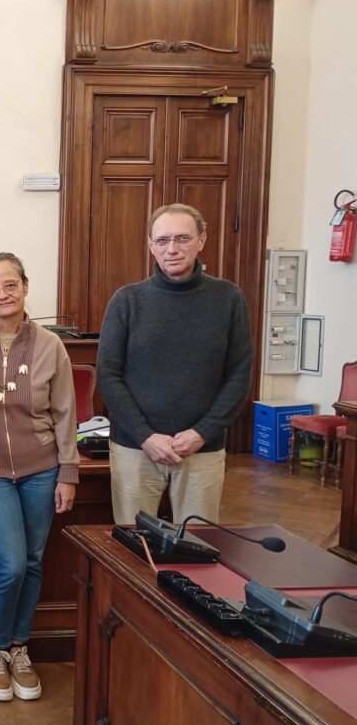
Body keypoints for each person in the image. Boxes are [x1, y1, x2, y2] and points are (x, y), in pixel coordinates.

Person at [0, 253, 78, 703]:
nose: (1, 295)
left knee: (32, 562)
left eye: (9, 285)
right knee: (9, 563)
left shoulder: (51, 345)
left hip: (41, 468)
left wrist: (67, 472)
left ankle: (19, 647)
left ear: (26, 287)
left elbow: (67, 414)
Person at [97, 203, 253, 525]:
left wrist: (202, 433)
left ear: (202, 240)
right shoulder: (127, 300)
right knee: (133, 546)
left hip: (201, 449)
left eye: (182, 238)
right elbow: (109, 376)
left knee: (198, 546)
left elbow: (238, 375)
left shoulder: (228, 298)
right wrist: (145, 435)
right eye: (163, 240)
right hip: (136, 448)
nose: (172, 249)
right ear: (151, 245)